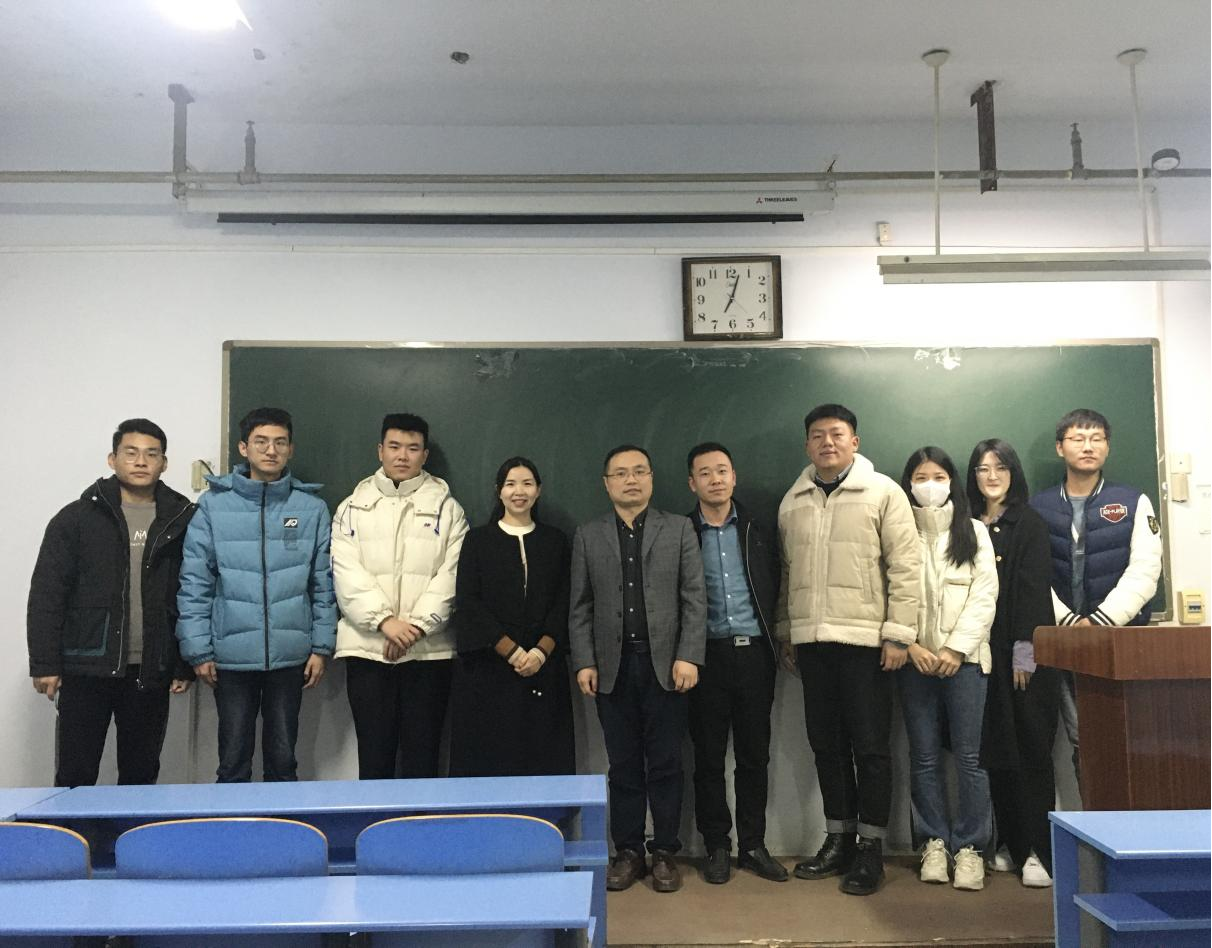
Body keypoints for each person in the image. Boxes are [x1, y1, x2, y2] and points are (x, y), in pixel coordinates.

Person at [775, 403, 919, 896]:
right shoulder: (792, 500)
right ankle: (838, 839)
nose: (827, 443)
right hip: (813, 643)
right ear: (807, 445)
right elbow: (787, 573)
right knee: (826, 745)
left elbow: (906, 566)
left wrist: (899, 634)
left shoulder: (883, 493)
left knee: (871, 748)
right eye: (817, 436)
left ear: (854, 441)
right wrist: (787, 630)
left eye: (837, 434)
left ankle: (870, 849)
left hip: (867, 643)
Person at [27, 418, 195, 787]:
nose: (141, 461)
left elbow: (190, 594)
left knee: (140, 775)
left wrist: (182, 663)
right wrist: (45, 663)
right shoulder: (75, 519)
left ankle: (130, 828)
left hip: (150, 668)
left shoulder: (182, 520)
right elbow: (47, 593)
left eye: (151, 454)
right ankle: (73, 828)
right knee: (75, 773)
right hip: (86, 665)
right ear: (112, 459)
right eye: (131, 453)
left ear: (164, 463)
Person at [569, 444, 706, 893]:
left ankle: (664, 851)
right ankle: (627, 851)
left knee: (666, 762)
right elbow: (580, 606)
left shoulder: (679, 528)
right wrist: (585, 661)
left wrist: (688, 655)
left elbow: (694, 597)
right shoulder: (588, 535)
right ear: (606, 483)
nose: (631, 480)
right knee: (623, 764)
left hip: (666, 665)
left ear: (651, 478)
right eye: (621, 473)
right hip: (612, 667)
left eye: (640, 471)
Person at [177, 407, 336, 782]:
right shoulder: (213, 506)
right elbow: (195, 581)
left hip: (291, 655)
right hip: (230, 656)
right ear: (243, 448)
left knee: (283, 759)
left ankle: (285, 821)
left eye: (280, 442)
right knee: (233, 760)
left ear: (290, 449)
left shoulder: (311, 509)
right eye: (261, 442)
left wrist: (321, 647)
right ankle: (233, 820)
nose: (271, 450)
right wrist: (198, 650)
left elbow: (324, 583)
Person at [331, 413, 468, 779]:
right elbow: (345, 572)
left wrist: (417, 627)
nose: (402, 456)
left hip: (428, 653)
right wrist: (384, 622)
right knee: (374, 758)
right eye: (394, 447)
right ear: (380, 451)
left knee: (423, 759)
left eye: (412, 448)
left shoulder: (448, 509)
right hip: (368, 650)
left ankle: (420, 820)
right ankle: (375, 821)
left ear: (425, 455)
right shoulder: (351, 508)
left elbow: (453, 575)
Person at [1029, 409, 1162, 780]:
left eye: (1097, 439)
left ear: (1107, 446)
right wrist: (1070, 621)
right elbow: (1031, 575)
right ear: (1060, 447)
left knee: (1126, 737)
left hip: (1119, 641)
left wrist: (1101, 621)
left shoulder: (1134, 501)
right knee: (1082, 740)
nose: (1088, 446)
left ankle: (1126, 816)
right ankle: (1091, 815)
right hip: (1061, 642)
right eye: (1078, 438)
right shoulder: (1037, 507)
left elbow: (1146, 570)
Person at [684, 442, 786, 884]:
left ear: (734, 476)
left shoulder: (757, 528)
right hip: (704, 657)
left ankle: (753, 845)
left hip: (754, 654)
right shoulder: (681, 533)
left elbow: (780, 583)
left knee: (753, 756)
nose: (716, 479)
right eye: (705, 473)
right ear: (692, 483)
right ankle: (716, 846)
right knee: (708, 758)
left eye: (722, 470)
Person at [900, 446, 998, 892]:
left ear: (952, 482)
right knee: (923, 758)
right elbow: (887, 592)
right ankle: (933, 843)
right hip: (913, 661)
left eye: (939, 477)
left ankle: (972, 848)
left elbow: (985, 595)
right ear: (908, 484)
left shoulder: (974, 531)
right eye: (921, 477)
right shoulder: (898, 530)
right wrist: (910, 646)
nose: (930, 485)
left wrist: (956, 650)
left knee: (970, 759)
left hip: (967, 662)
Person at [967, 438, 1059, 889]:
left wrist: (1026, 649)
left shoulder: (1029, 522)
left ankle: (1039, 850)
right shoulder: (968, 524)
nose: (992, 476)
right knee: (997, 751)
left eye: (1000, 468)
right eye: (983, 468)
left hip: (1022, 656)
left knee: (1031, 750)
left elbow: (1034, 588)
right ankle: (1009, 842)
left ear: (1013, 473)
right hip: (979, 652)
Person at [449, 456, 574, 777]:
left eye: (527, 483)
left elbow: (564, 601)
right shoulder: (477, 540)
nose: (519, 491)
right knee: (490, 762)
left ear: (538, 490)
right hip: (489, 669)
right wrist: (512, 651)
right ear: (499, 491)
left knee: (543, 762)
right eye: (511, 484)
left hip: (543, 668)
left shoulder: (556, 541)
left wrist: (540, 653)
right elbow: (469, 602)